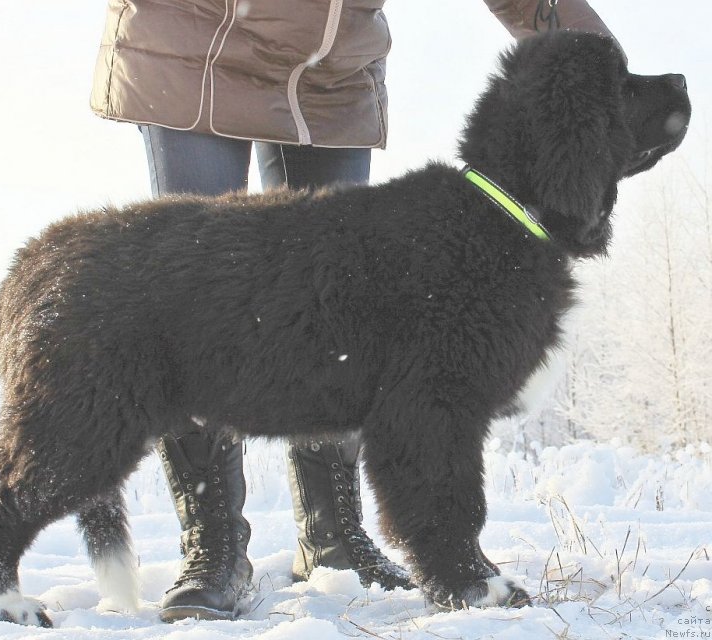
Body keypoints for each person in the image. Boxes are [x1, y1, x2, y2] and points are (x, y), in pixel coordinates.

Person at [90, 0, 618, 622]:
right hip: (196, 50)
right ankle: (214, 547)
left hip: (330, 72)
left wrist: (592, 55)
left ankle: (333, 537)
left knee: (345, 311)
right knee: (196, 305)